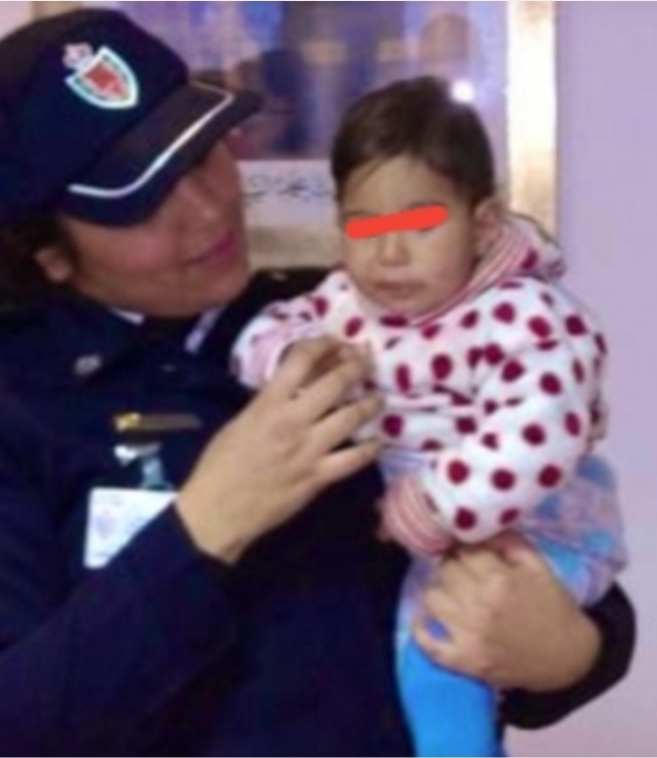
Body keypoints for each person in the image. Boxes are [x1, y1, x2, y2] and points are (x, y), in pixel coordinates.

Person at [0, 10, 635, 756]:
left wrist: (572, 653)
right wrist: (206, 525)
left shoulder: (338, 320)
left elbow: (534, 550)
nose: (208, 209)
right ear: (49, 252)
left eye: (202, 155)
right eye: (144, 201)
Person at [230, 77, 628, 756]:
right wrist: (292, 355)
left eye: (420, 224)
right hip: (421, 526)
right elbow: (266, 332)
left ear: (482, 224)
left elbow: (533, 438)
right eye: (364, 226)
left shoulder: (527, 315)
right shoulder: (345, 299)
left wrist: (429, 507)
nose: (389, 253)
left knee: (439, 656)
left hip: (532, 523)